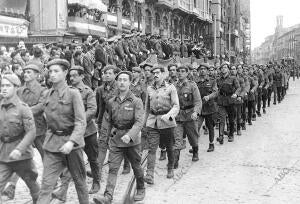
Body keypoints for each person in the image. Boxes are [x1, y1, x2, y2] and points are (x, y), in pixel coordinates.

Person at [37, 59, 88, 204]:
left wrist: (71, 142)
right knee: (46, 185)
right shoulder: (47, 94)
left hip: (72, 145)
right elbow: (38, 111)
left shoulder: (74, 94)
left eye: (56, 71)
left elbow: (81, 121)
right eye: (50, 71)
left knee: (79, 181)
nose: (52, 74)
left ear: (65, 73)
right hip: (52, 144)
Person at [93, 71, 145, 204]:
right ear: (117, 82)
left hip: (132, 142)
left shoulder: (136, 101)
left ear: (129, 83)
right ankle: (108, 197)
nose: (122, 82)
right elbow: (108, 121)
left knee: (136, 166)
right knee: (113, 168)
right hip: (116, 140)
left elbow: (139, 121)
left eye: (125, 80)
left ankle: (140, 188)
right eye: (120, 80)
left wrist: (130, 135)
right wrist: (104, 138)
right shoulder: (111, 102)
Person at [51, 65, 99, 203]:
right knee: (68, 163)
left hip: (88, 132)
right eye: (70, 76)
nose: (71, 78)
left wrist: (79, 121)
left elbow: (92, 109)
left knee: (93, 158)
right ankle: (63, 191)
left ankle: (96, 181)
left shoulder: (88, 91)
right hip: (72, 134)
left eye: (74, 76)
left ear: (82, 76)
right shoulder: (68, 91)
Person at [2, 64, 48, 200]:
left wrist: (22, 112)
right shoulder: (20, 90)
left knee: (46, 156)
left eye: (29, 72)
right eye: (24, 72)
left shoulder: (43, 90)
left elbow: (41, 106)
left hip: (38, 128)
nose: (25, 74)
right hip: (18, 131)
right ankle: (12, 186)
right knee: (18, 160)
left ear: (37, 74)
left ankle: (51, 178)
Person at [144, 65, 179, 184]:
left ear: (164, 74)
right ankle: (149, 174)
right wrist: (144, 123)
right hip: (153, 122)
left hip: (166, 121)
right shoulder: (149, 89)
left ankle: (170, 168)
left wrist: (169, 116)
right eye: (154, 73)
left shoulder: (171, 88)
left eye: (158, 72)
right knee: (152, 148)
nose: (155, 75)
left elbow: (176, 106)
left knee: (169, 146)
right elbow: (147, 108)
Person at [173, 65, 202, 169]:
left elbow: (198, 101)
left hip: (190, 116)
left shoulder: (192, 85)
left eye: (182, 71)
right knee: (177, 139)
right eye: (178, 71)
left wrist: (196, 112)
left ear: (187, 73)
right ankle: (175, 161)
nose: (180, 73)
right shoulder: (173, 86)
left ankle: (195, 152)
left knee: (193, 137)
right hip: (178, 116)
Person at [216, 62, 240, 144]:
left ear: (228, 69)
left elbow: (238, 88)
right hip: (222, 100)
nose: (223, 69)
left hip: (230, 100)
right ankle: (221, 136)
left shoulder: (233, 78)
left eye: (225, 67)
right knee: (221, 119)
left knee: (231, 119)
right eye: (222, 67)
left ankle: (231, 134)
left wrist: (236, 94)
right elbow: (217, 90)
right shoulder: (218, 79)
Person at [196, 63, 218, 152]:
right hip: (199, 108)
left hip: (209, 107)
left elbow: (215, 92)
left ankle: (211, 144)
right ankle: (195, 146)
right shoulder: (195, 81)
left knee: (210, 126)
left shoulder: (212, 81)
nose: (202, 70)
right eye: (201, 69)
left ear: (207, 71)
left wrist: (209, 97)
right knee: (196, 127)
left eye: (204, 69)